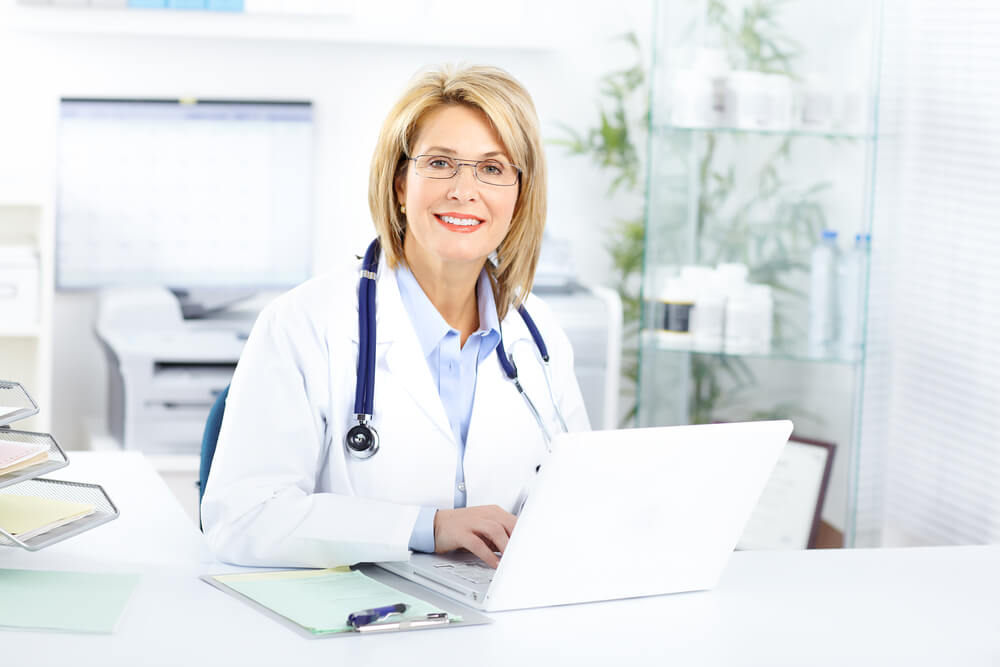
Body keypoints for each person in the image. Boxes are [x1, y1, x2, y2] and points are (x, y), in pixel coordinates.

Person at [201, 64, 590, 570]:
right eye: (441, 163)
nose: (464, 189)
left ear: (518, 198)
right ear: (401, 183)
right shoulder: (303, 324)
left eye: (492, 169)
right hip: (351, 630)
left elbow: (578, 498)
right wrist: (425, 527)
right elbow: (243, 519)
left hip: (499, 626)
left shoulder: (540, 337)